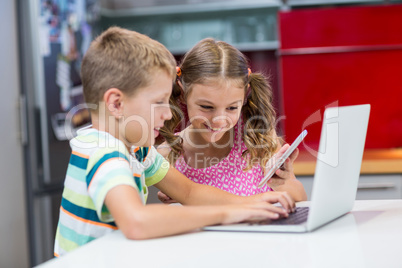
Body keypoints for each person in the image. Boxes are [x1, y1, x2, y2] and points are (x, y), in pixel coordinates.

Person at [54, 27, 295, 257]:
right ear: (117, 104)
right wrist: (227, 213)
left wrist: (251, 204)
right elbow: (136, 222)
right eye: (159, 102)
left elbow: (190, 191)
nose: (168, 114)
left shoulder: (137, 151)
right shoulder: (105, 151)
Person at [158, 38, 307, 203]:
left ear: (244, 96)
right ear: (183, 93)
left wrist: (283, 183)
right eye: (207, 107)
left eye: (231, 108)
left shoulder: (257, 136)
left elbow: (301, 198)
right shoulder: (169, 153)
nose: (219, 121)